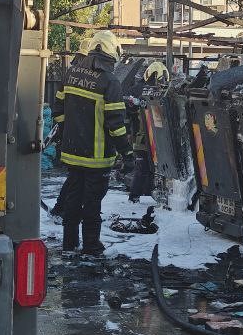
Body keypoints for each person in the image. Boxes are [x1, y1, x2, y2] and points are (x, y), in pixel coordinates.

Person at [51, 31, 131, 255]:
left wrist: (70, 134)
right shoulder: (109, 81)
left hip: (72, 153)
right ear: (111, 53)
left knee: (73, 199)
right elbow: (116, 124)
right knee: (92, 204)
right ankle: (91, 245)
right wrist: (128, 155)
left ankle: (69, 243)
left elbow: (58, 111)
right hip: (97, 157)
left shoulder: (71, 74)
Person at [126, 61, 168, 203]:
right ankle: (137, 197)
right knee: (147, 170)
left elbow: (129, 113)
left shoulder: (136, 90)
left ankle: (140, 197)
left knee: (144, 169)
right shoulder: (156, 93)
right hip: (149, 139)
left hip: (140, 138)